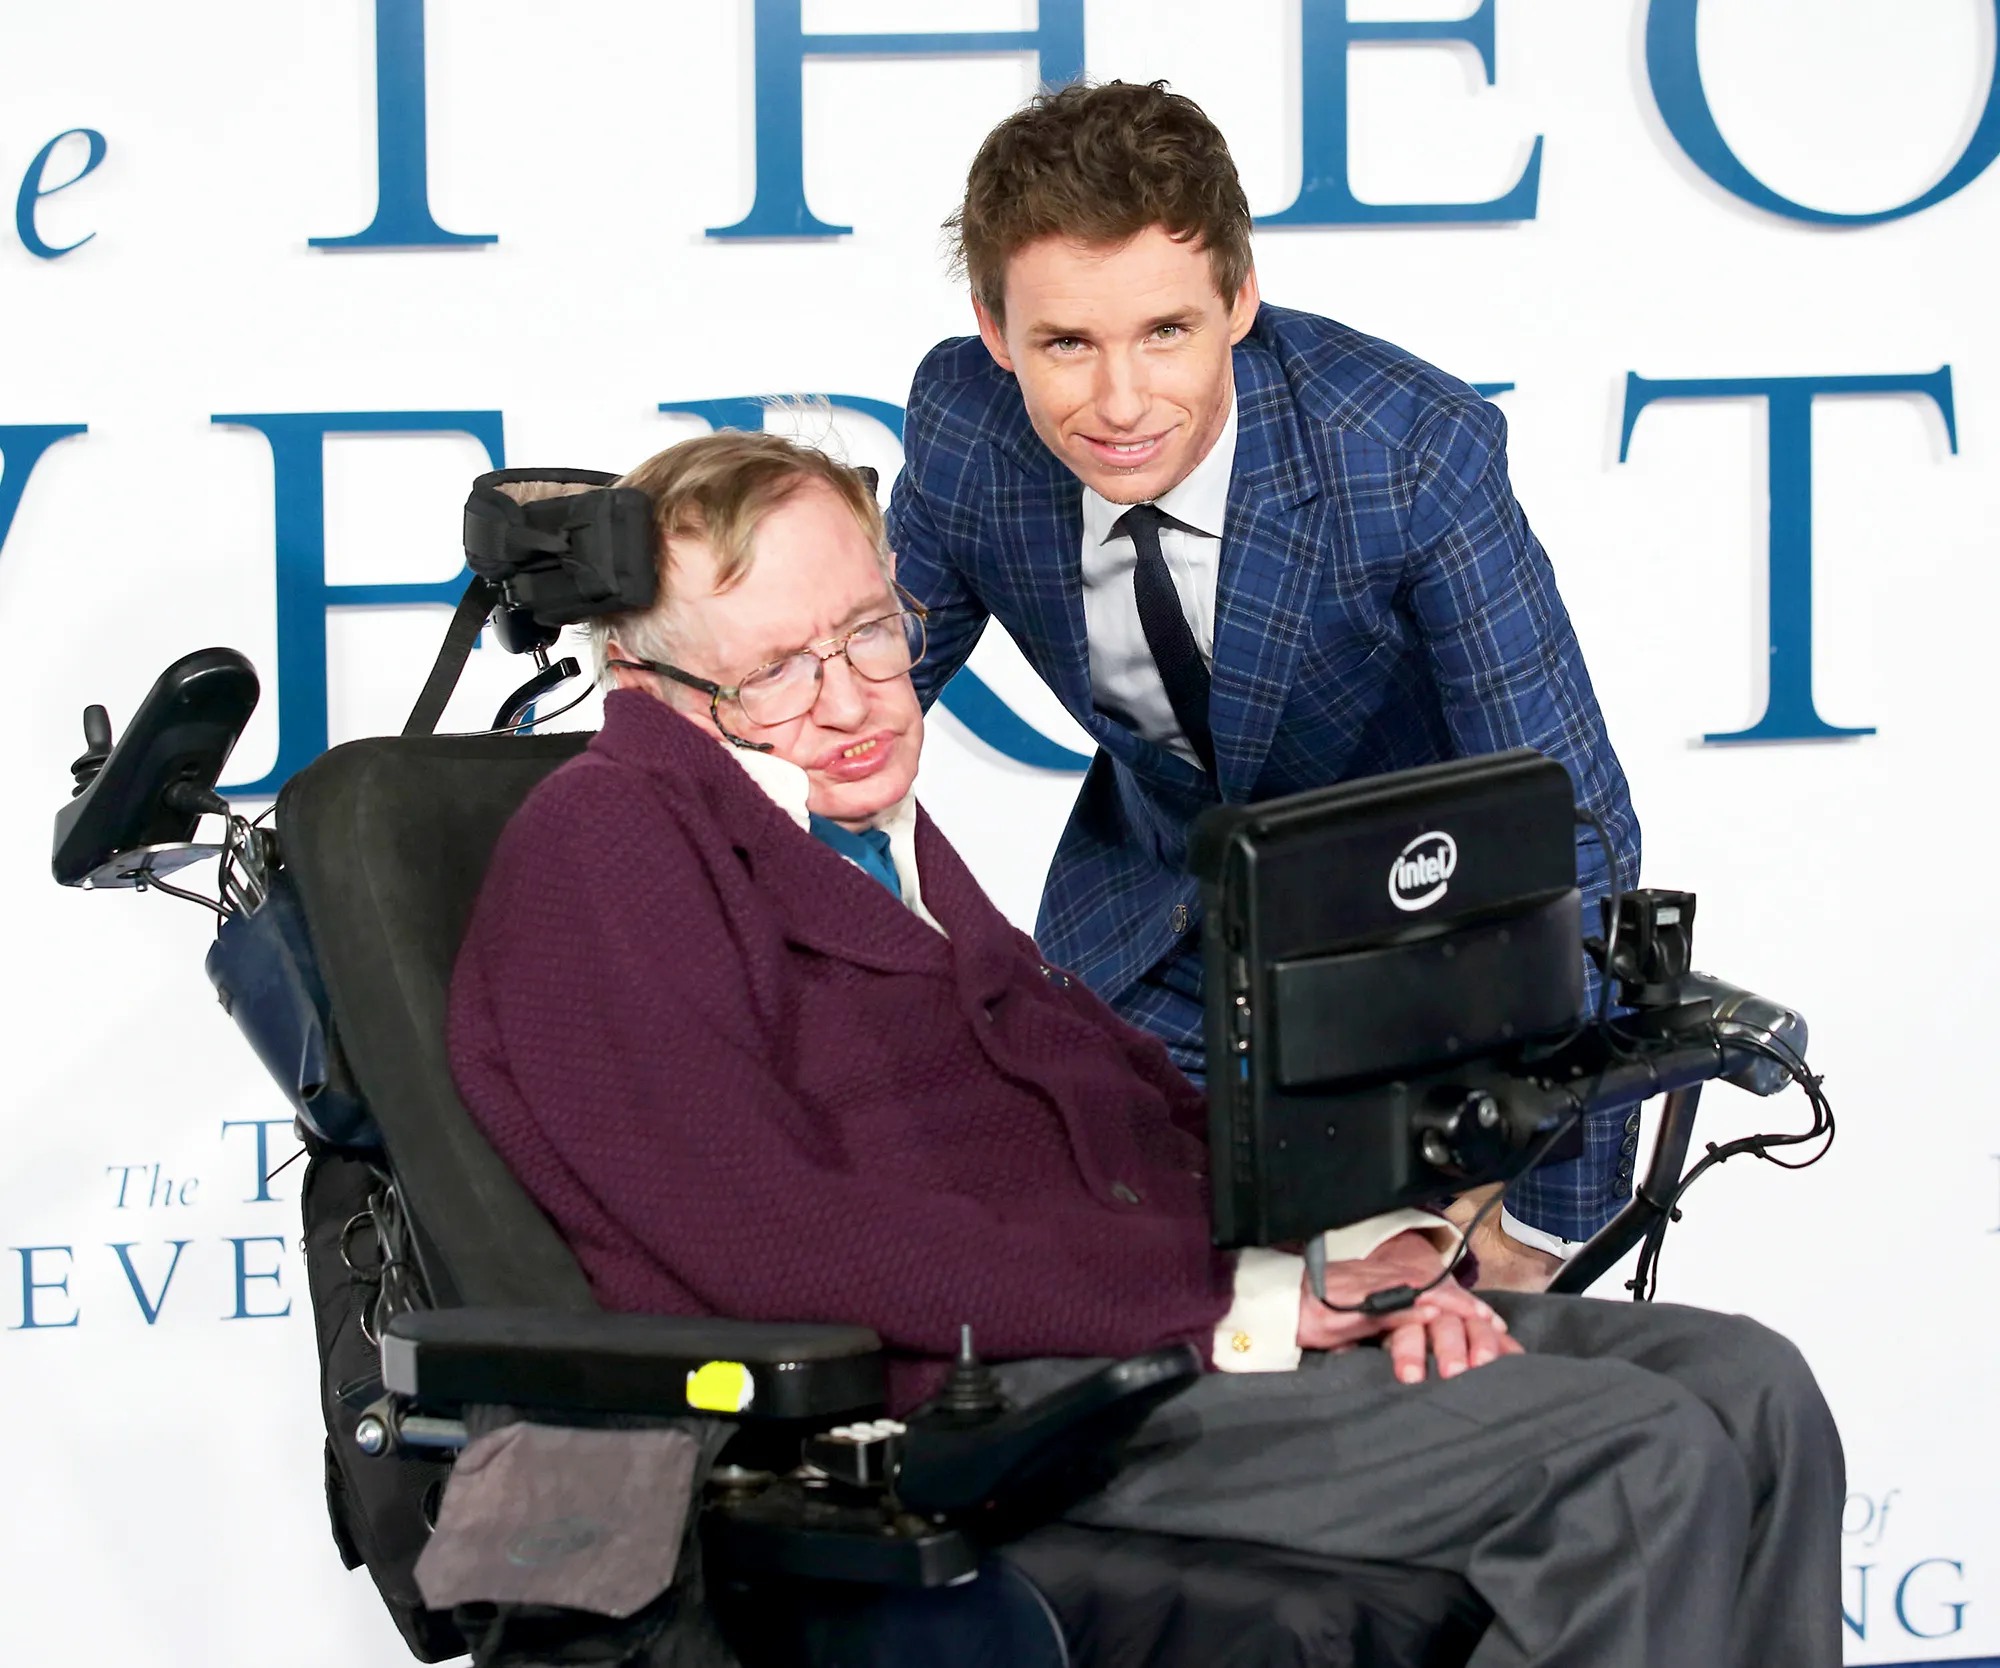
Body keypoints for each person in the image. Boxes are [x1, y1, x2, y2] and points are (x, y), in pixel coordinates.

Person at [449, 429, 1840, 1668]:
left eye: (871, 632)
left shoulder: (855, 835)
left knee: (1749, 1388)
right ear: (644, 679)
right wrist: (1228, 1304)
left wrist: (1352, 1251)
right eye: (776, 673)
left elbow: (1116, 1097)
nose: (854, 699)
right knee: (1632, 1461)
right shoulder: (615, 837)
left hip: (1117, 1333)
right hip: (981, 1405)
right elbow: (767, 1236)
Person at [886, 81, 1640, 1288]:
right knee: (1119, 1348)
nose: (1120, 404)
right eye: (1066, 343)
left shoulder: (1406, 458)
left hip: (1422, 977)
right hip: (1149, 951)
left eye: (1166, 332)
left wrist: (1544, 1221)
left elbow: (1577, 839)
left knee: (1420, 1411)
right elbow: (846, 708)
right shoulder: (967, 429)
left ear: (1238, 299)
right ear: (992, 327)